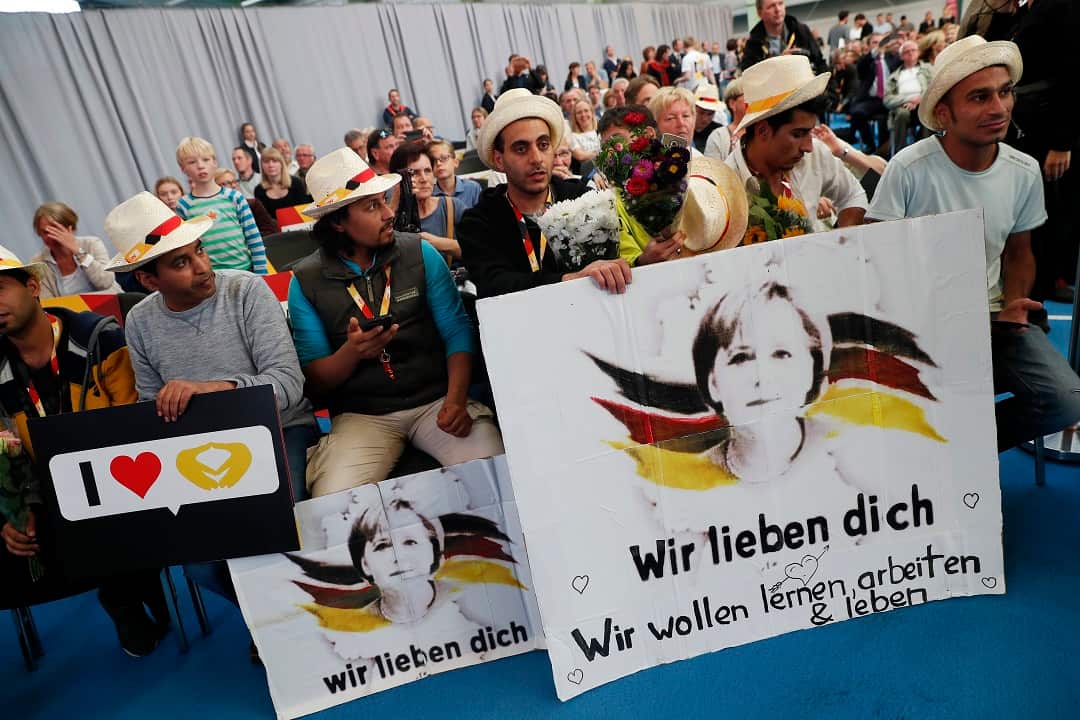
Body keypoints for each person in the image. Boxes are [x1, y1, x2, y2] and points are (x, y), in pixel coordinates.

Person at [868, 35, 1080, 450]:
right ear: (944, 113)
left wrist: (1014, 304)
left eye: (1004, 93)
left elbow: (1020, 254)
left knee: (1066, 400)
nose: (999, 108)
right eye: (980, 97)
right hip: (916, 325)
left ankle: (961, 449)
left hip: (993, 321)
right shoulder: (908, 170)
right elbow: (875, 259)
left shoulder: (1023, 171)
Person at [288, 148, 504, 496]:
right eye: (372, 206)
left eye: (384, 200)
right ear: (338, 222)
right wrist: (352, 352)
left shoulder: (419, 253)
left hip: (436, 400)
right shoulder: (306, 281)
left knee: (495, 474)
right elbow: (314, 379)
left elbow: (457, 331)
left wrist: (456, 399)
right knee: (335, 501)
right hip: (363, 416)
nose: (389, 213)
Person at [0, 246, 168, 657]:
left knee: (108, 518)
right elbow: (4, 453)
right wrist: (15, 512)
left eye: (0, 288)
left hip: (118, 480)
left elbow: (137, 427)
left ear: (33, 286)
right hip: (46, 491)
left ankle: (122, 599)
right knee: (13, 538)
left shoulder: (101, 340)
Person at [457, 89, 631, 298]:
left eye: (543, 145)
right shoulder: (479, 222)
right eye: (521, 149)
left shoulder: (583, 199)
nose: (537, 158)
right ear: (499, 159)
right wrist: (571, 279)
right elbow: (494, 285)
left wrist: (644, 259)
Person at [692, 281, 834, 483]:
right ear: (713, 384)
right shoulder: (689, 485)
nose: (763, 377)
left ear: (812, 369)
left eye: (782, 354)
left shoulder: (852, 451)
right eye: (740, 357)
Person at [726, 56, 868, 232]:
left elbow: (853, 194)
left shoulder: (816, 154)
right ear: (762, 131)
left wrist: (843, 240)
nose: (808, 147)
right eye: (798, 134)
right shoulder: (725, 188)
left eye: (810, 131)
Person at [174, 136, 267, 274]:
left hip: (246, 271)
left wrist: (262, 272)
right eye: (192, 162)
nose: (200, 166)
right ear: (183, 168)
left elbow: (253, 237)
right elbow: (187, 247)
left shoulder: (234, 197)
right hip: (211, 277)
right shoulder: (184, 205)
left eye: (206, 159)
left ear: (214, 162)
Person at [26, 203, 120, 301]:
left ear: (70, 227)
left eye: (55, 229)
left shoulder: (92, 243)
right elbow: (49, 304)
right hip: (75, 314)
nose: (50, 236)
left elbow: (106, 282)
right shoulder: (38, 262)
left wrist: (78, 251)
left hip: (112, 304)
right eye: (45, 232)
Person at [389, 142, 463, 261]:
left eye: (428, 171)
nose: (424, 179)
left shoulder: (451, 206)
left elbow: (482, 249)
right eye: (415, 173)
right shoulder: (392, 217)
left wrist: (438, 243)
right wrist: (396, 200)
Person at [741, 0, 827, 74]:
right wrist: (779, 62)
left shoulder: (800, 31)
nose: (778, 9)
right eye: (771, 6)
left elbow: (820, 63)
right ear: (759, 13)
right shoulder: (754, 43)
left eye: (780, 3)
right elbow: (748, 77)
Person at [849, 34, 900, 152]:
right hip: (872, 99)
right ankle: (870, 144)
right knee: (856, 113)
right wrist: (875, 52)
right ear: (869, 45)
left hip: (890, 98)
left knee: (885, 119)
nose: (879, 45)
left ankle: (884, 149)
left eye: (881, 42)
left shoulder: (892, 58)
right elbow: (861, 67)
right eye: (875, 42)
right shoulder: (866, 60)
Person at [884, 40, 932, 152]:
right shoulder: (894, 76)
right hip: (903, 105)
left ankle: (926, 150)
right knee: (902, 114)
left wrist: (920, 99)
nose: (910, 53)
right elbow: (887, 99)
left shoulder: (928, 69)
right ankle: (900, 152)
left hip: (924, 103)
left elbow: (935, 87)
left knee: (925, 111)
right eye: (906, 51)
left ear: (918, 52)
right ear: (901, 56)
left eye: (913, 50)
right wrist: (910, 99)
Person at [254, 146, 312, 222]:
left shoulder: (296, 183)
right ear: (261, 166)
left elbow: (305, 210)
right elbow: (265, 220)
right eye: (266, 162)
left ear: (281, 163)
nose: (271, 165)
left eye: (274, 161)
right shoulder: (259, 190)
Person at [215, 168, 277, 237]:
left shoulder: (253, 204)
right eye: (226, 183)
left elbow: (269, 231)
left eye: (235, 181)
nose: (234, 185)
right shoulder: (214, 212)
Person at [428, 139, 483, 211]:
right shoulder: (429, 195)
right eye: (433, 160)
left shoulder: (473, 188)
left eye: (444, 158)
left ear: (456, 162)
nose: (438, 163)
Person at [705, 80, 746, 161]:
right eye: (747, 95)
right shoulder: (718, 136)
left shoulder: (762, 131)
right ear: (732, 104)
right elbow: (712, 170)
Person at [648, 87, 697, 151]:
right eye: (671, 118)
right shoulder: (643, 159)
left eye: (685, 116)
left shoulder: (700, 158)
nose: (681, 123)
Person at [692, 84, 725, 154]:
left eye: (710, 114)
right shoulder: (684, 129)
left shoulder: (719, 132)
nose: (705, 118)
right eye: (701, 112)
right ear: (693, 108)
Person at [569, 100, 601, 164]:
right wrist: (601, 155)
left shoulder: (601, 132)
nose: (583, 115)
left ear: (592, 113)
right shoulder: (572, 136)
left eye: (586, 111)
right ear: (575, 117)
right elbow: (580, 156)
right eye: (579, 112)